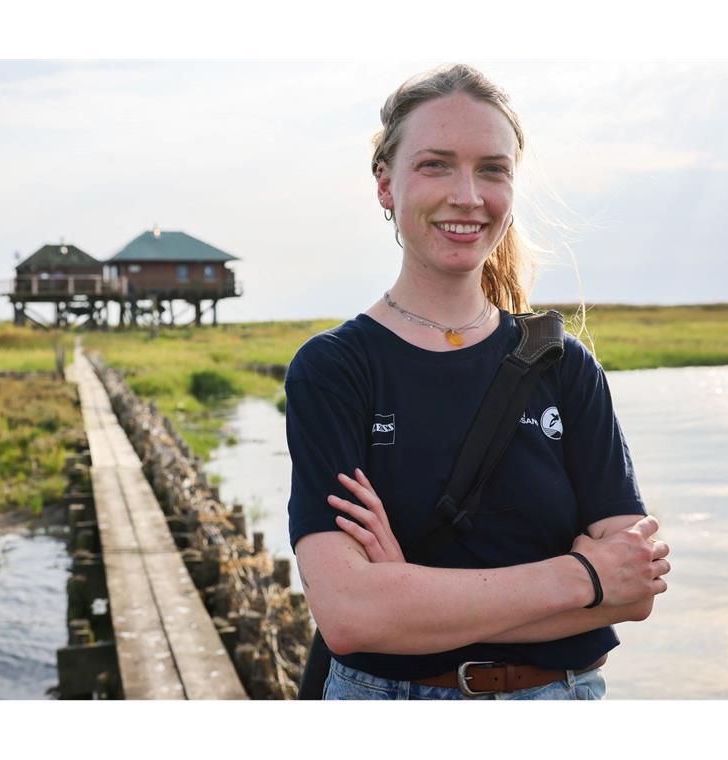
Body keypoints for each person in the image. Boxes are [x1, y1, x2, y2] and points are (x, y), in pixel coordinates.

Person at [285, 64, 671, 700]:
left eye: (492, 169)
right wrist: (582, 576)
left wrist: (409, 591)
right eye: (436, 164)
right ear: (386, 184)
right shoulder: (335, 368)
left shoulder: (563, 364)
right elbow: (351, 614)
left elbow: (633, 592)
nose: (468, 195)